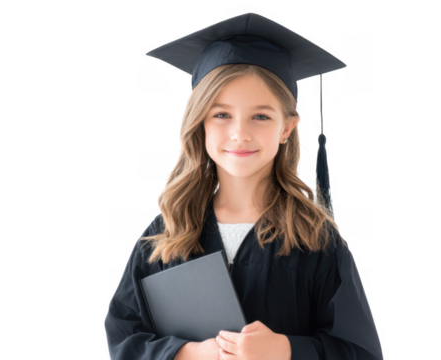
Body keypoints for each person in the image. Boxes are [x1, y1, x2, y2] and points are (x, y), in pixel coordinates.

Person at [104, 13, 383, 360]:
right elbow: (123, 334)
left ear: (287, 127)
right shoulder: (168, 231)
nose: (240, 133)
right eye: (221, 114)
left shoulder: (316, 239)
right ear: (199, 122)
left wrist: (285, 349)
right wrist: (189, 353)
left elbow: (360, 352)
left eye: (261, 116)